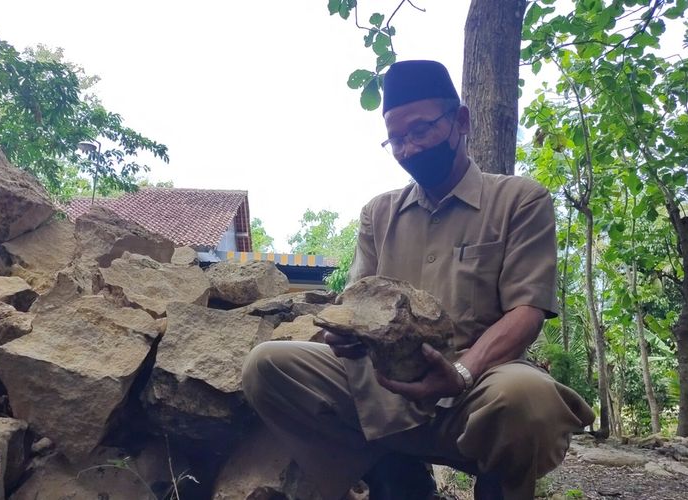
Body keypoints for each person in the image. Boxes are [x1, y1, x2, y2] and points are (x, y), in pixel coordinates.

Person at [242, 60, 594, 500]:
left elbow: (528, 310)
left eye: (421, 131)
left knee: (528, 397)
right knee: (268, 365)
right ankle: (392, 475)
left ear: (460, 121)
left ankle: (497, 486)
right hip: (383, 387)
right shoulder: (378, 213)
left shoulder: (520, 200)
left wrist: (463, 372)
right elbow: (353, 305)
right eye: (396, 139)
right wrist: (344, 334)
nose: (408, 149)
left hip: (476, 387)